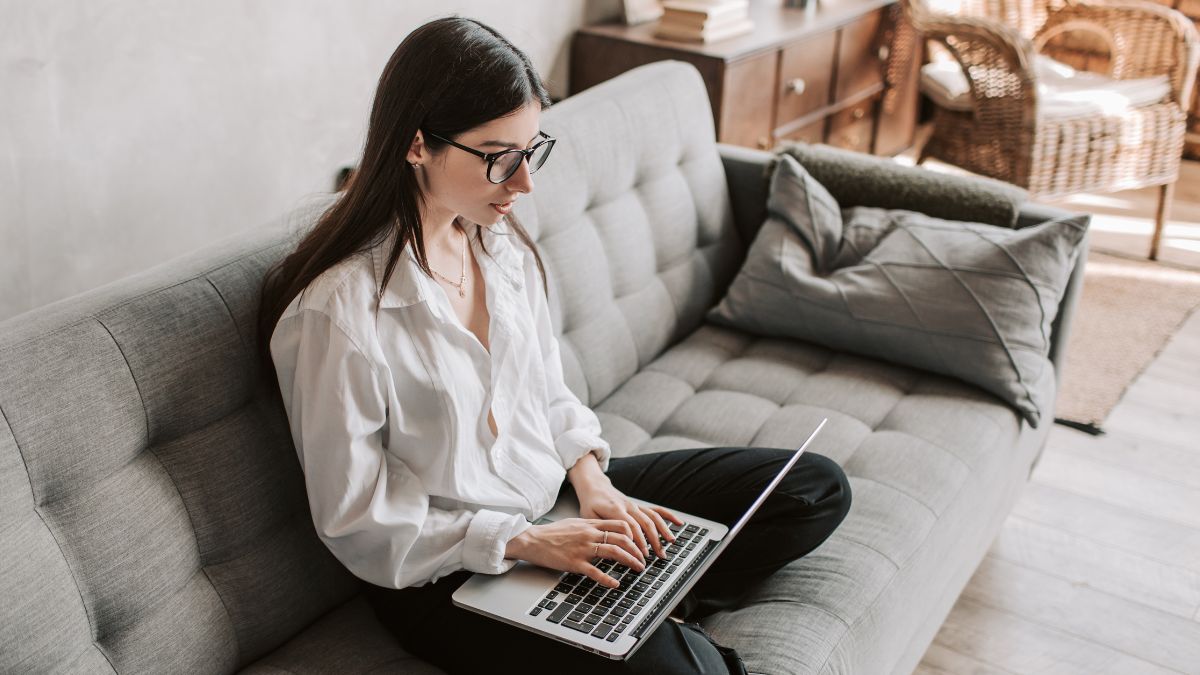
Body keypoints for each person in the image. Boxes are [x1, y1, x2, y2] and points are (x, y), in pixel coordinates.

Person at [257, 16, 851, 675]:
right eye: (498, 157)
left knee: (813, 489)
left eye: (531, 150)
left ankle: (647, 596)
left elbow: (548, 393)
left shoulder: (496, 243)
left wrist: (595, 484)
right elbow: (358, 520)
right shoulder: (339, 313)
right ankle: (650, 618)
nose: (524, 183)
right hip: (447, 572)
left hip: (554, 502)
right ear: (417, 145)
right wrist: (527, 541)